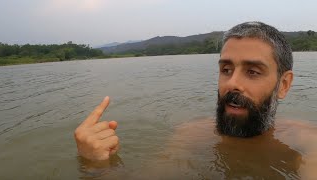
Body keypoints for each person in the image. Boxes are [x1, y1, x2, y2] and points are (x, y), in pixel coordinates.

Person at [74, 22, 316, 178]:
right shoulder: (192, 134)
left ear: (283, 85)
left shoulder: (304, 141)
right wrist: (96, 164)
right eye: (226, 70)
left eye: (253, 72)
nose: (232, 83)